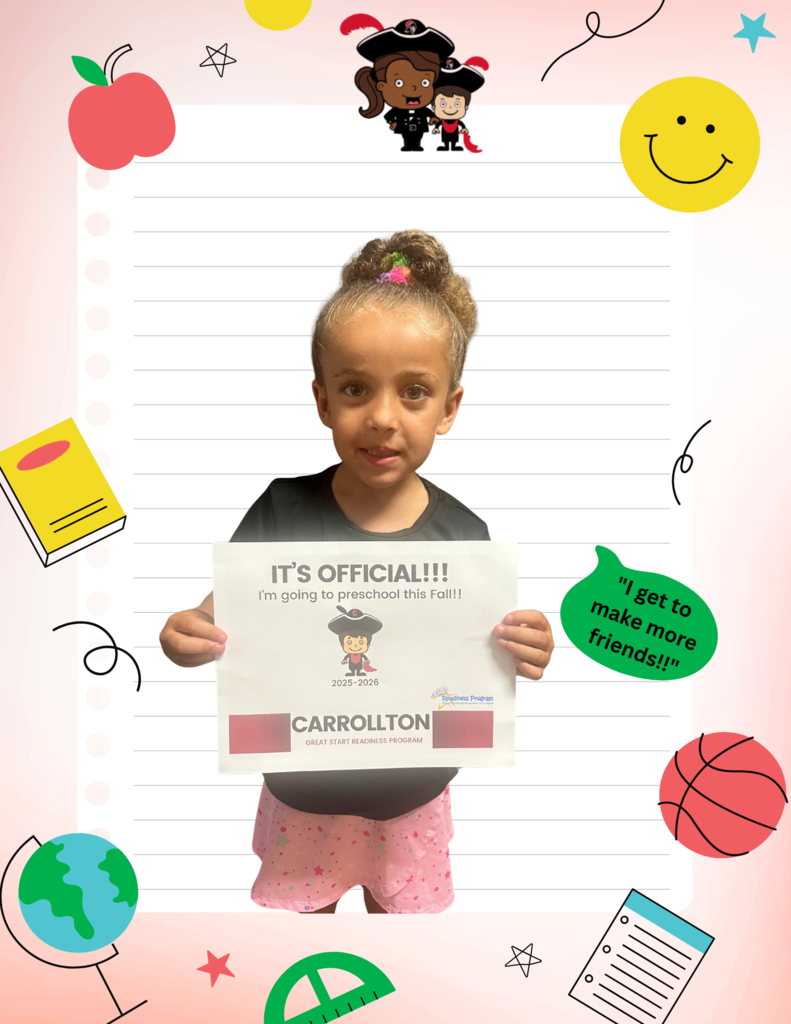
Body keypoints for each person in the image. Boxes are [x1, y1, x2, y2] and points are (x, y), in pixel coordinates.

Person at [159, 230, 556, 914]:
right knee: (295, 952)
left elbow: (481, 656)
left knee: (402, 948)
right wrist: (184, 633)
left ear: (449, 408)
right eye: (354, 389)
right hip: (301, 795)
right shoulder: (282, 508)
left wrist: (528, 643)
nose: (380, 418)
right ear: (322, 401)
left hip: (411, 801)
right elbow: (222, 615)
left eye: (412, 393)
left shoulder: (465, 536)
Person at [342, 16, 455, 151]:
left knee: (417, 137)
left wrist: (434, 119)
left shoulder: (423, 109)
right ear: (381, 86)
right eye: (399, 82)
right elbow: (389, 116)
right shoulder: (397, 110)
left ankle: (416, 145)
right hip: (404, 127)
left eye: (425, 82)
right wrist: (393, 122)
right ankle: (408, 145)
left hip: (419, 127)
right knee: (407, 137)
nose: (413, 88)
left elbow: (429, 114)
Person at [430, 57, 487, 151]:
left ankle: (453, 147)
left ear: (465, 106)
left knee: (454, 139)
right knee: (445, 139)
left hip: (454, 132)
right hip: (445, 131)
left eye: (457, 104)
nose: (450, 107)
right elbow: (439, 123)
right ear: (433, 106)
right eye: (443, 104)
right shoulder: (442, 120)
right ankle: (445, 146)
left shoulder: (457, 121)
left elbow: (460, 124)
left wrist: (463, 128)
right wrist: (436, 128)